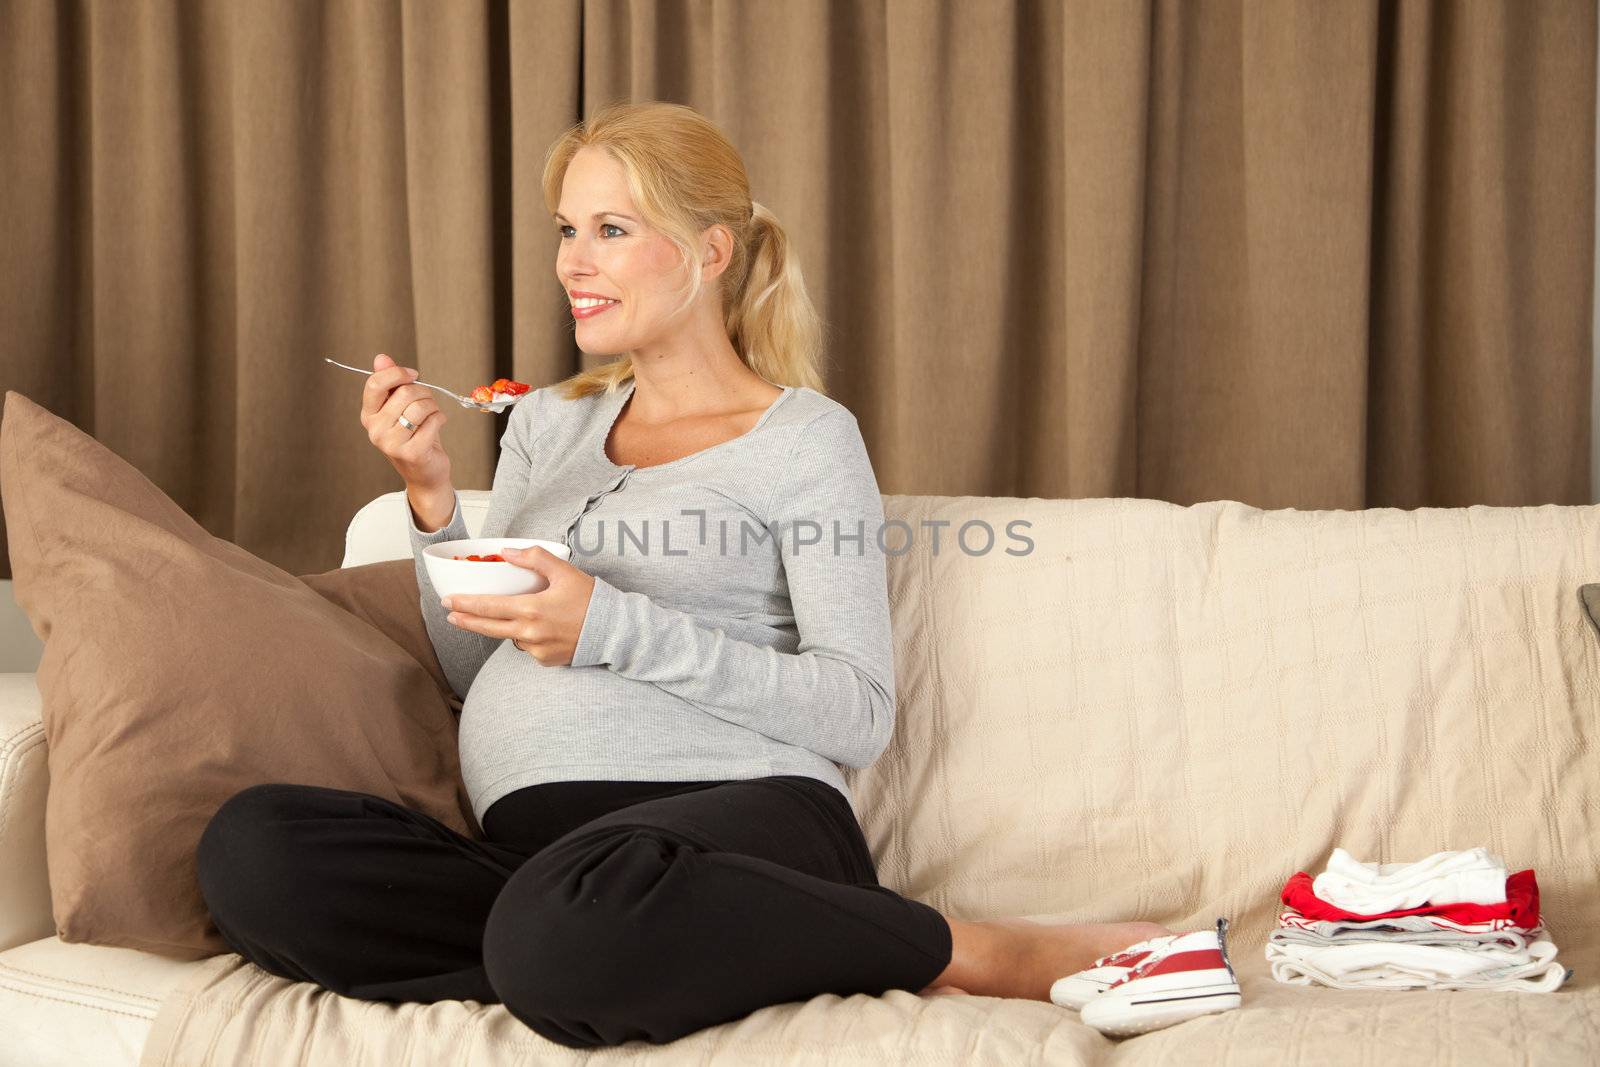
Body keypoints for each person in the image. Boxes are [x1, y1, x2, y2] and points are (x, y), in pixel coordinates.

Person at [194, 100, 1172, 1050]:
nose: (572, 261)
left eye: (611, 229)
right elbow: (468, 666)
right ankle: (614, 948)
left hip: (740, 822)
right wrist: (432, 497)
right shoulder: (544, 426)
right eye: (566, 228)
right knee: (256, 851)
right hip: (544, 864)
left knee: (562, 919)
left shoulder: (803, 439)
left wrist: (610, 626)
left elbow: (857, 710)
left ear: (709, 252)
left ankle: (966, 946)